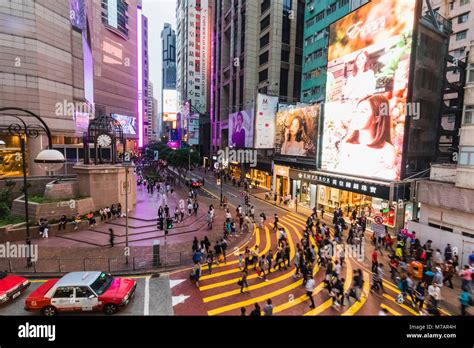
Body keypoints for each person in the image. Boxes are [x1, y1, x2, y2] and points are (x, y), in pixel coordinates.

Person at [335, 95, 398, 180]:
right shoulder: (347, 144)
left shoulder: (387, 150)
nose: (356, 116)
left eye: (363, 112)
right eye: (356, 112)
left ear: (377, 118)